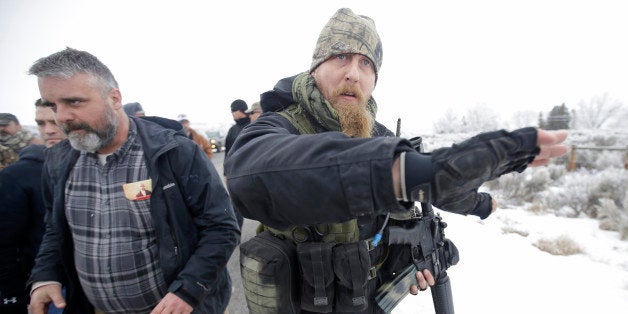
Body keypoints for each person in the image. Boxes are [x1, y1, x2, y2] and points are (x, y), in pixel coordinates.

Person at [225, 8, 568, 314]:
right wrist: (397, 173)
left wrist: (480, 203)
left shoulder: (381, 137)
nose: (353, 74)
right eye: (341, 57)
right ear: (316, 67)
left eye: (366, 64)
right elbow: (251, 174)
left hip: (362, 297)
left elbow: (435, 184)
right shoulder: (280, 124)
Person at [26, 47, 240, 314]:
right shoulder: (58, 161)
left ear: (114, 98)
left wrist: (188, 291)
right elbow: (55, 229)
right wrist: (45, 275)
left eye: (74, 102)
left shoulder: (174, 153)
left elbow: (221, 227)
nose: (61, 117)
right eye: (53, 105)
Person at [0, 99, 67, 314]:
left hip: (87, 283)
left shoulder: (91, 167)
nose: (49, 130)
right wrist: (13, 295)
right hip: (45, 284)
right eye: (41, 123)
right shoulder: (16, 175)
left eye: (55, 122)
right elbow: (5, 242)